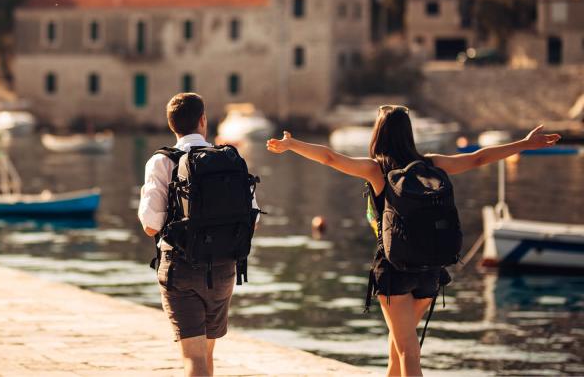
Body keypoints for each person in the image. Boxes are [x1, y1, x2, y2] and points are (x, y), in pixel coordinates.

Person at [266, 105, 560, 377]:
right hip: (430, 269)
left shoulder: (377, 170)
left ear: (378, 134)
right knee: (398, 347)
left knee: (408, 351)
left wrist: (292, 145)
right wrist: (524, 144)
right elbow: (478, 158)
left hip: (394, 269)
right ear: (409, 133)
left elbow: (330, 157)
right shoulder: (431, 164)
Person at [139, 93, 259, 377]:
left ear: (172, 125)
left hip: (181, 268)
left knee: (193, 358)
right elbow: (252, 219)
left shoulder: (161, 162)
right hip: (224, 269)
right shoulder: (229, 158)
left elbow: (151, 226)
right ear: (203, 120)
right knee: (206, 353)